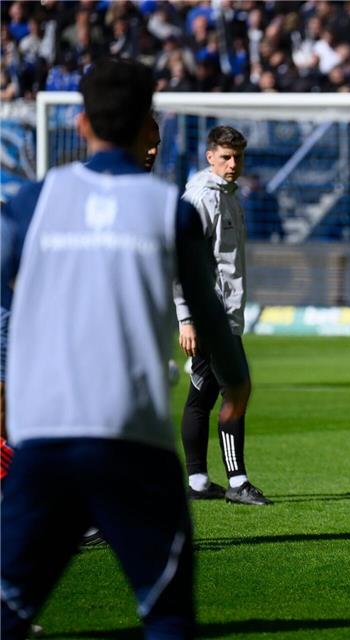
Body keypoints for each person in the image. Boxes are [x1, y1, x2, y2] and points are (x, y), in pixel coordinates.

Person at [0, 58, 250, 639]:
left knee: (10, 613)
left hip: (44, 445)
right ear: (147, 126)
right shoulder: (171, 212)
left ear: (82, 122)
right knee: (166, 618)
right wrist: (236, 388)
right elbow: (214, 323)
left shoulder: (33, 203)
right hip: (132, 445)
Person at [174, 126, 271, 506]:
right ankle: (238, 481)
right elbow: (181, 260)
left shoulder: (229, 196)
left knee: (202, 394)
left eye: (238, 158)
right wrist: (187, 318)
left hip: (223, 315)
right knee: (236, 389)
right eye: (226, 157)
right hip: (209, 318)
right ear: (210, 156)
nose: (233, 165)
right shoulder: (202, 198)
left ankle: (197, 481)